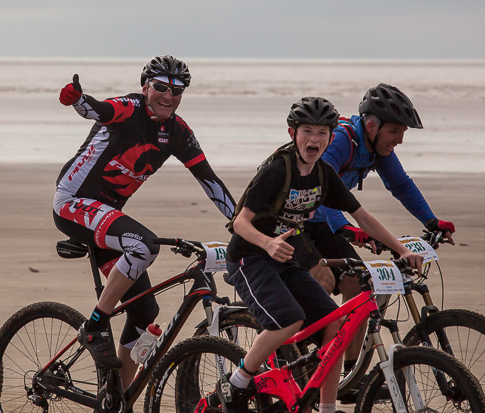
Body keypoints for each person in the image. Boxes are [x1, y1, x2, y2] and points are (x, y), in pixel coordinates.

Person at [219, 97, 422, 413]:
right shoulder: (278, 170)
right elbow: (240, 223)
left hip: (285, 258)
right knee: (289, 320)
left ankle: (327, 408)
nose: (314, 139)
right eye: (307, 131)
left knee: (335, 324)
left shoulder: (324, 174)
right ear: (293, 133)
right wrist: (268, 243)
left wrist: (402, 249)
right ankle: (237, 382)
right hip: (250, 257)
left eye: (322, 133)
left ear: (330, 137)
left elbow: (363, 217)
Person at [54, 56, 236, 386]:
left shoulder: (178, 132)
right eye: (161, 87)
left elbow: (210, 181)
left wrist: (240, 224)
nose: (168, 96)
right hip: (73, 203)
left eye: (177, 91)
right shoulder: (131, 108)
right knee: (144, 245)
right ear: (145, 87)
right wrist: (78, 99)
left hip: (107, 217)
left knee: (144, 312)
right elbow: (99, 110)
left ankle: (118, 397)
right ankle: (94, 325)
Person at [292, 84, 456, 389]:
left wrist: (432, 221)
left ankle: (349, 377)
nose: (400, 139)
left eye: (402, 132)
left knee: (358, 285)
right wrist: (345, 227)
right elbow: (322, 187)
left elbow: (401, 185)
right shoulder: (342, 141)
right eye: (395, 131)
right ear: (371, 126)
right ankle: (295, 354)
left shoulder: (376, 149)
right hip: (295, 224)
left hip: (324, 224)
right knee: (322, 282)